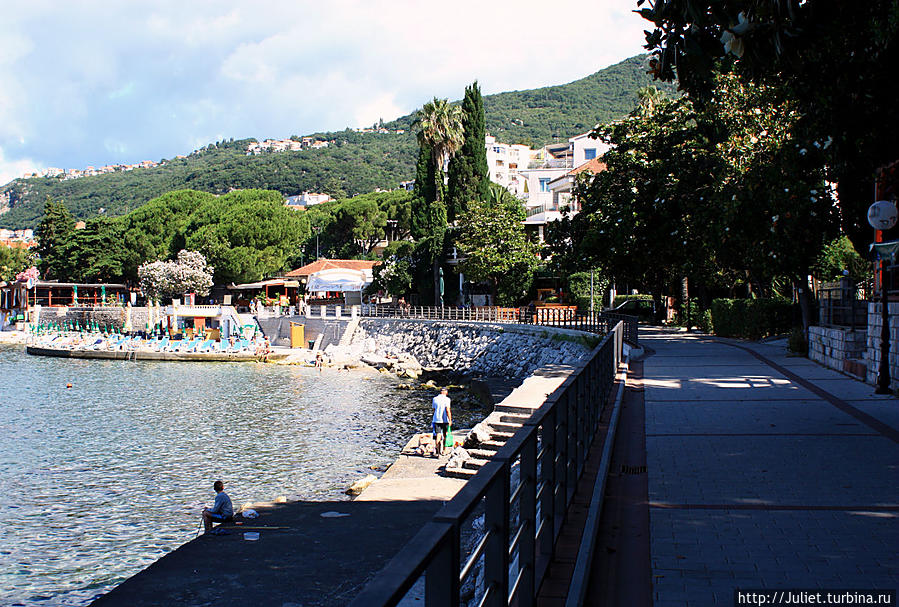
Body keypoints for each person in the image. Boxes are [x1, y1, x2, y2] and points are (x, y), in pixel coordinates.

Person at [431, 388, 452, 457]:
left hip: (436, 419)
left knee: (438, 435)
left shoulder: (434, 399)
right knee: (445, 435)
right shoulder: (447, 399)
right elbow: (448, 410)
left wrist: (433, 418)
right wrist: (450, 420)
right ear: (445, 392)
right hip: (445, 420)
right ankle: (444, 450)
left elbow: (433, 410)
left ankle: (438, 452)